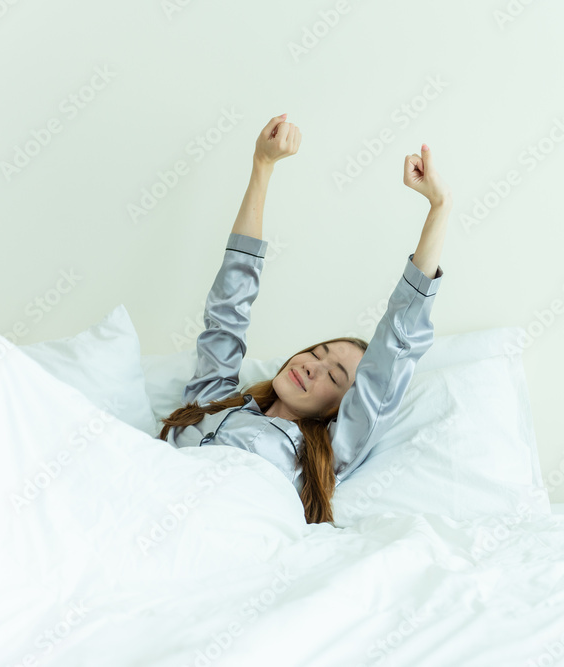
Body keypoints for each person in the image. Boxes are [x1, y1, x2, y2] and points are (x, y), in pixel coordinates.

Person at [157, 113, 452, 525]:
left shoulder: (317, 456)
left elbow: (394, 352)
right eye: (318, 353)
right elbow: (229, 308)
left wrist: (439, 208)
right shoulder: (214, 397)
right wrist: (262, 165)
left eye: (333, 378)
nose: (312, 367)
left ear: (335, 411)